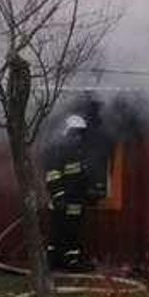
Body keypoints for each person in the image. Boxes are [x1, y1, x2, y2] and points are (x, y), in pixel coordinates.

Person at [43, 113, 103, 271]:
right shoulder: (58, 151)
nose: (78, 138)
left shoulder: (79, 153)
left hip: (76, 203)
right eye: (75, 134)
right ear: (68, 133)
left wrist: (91, 192)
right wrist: (58, 196)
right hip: (61, 203)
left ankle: (72, 261)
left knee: (74, 232)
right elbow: (52, 175)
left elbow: (81, 177)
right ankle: (53, 261)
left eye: (80, 134)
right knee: (58, 232)